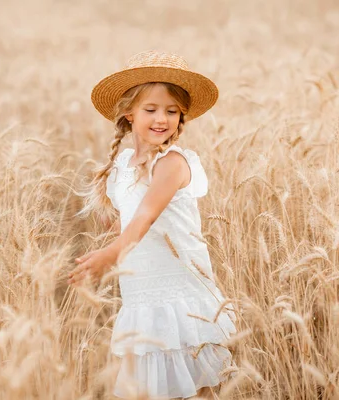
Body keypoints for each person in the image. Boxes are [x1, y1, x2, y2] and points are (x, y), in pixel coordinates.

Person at [68, 50, 237, 399]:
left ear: (181, 116)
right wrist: (106, 245)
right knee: (148, 385)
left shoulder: (173, 163)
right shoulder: (122, 164)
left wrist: (110, 255)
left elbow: (146, 217)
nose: (162, 118)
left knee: (195, 384)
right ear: (129, 113)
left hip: (179, 289)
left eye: (172, 111)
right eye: (151, 109)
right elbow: (129, 220)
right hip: (142, 292)